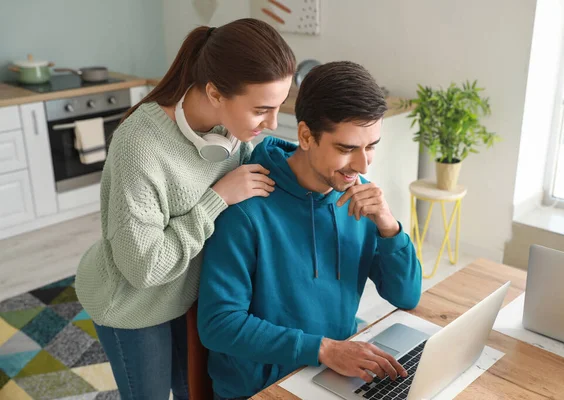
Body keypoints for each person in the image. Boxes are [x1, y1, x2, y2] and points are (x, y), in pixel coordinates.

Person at [74, 18, 296, 400]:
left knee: (195, 392)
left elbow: (270, 155)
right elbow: (144, 269)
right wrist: (218, 198)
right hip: (133, 303)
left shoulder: (235, 130)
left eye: (278, 107)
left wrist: (325, 159)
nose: (272, 122)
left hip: (189, 294)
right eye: (262, 109)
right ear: (215, 93)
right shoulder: (140, 146)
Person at [197, 61, 422, 400]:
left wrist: (389, 227)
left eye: (371, 146)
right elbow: (218, 326)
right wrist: (324, 350)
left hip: (335, 374)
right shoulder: (246, 207)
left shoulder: (359, 199)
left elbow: (406, 296)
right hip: (262, 387)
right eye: (346, 149)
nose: (362, 166)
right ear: (305, 136)